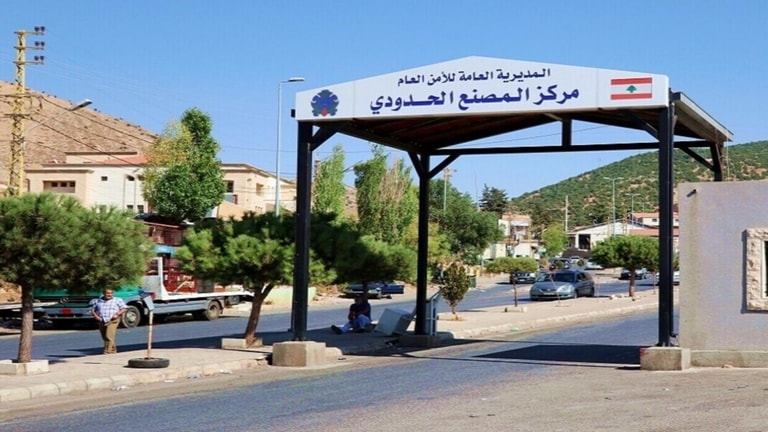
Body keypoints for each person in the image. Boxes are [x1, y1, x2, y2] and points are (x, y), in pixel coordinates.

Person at [90, 288, 128, 354]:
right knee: (105, 337)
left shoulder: (117, 300)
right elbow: (93, 310)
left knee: (109, 336)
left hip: (113, 320)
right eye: (108, 293)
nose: (109, 295)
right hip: (102, 320)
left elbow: (124, 308)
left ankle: (107, 351)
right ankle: (113, 350)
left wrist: (117, 314)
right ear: (104, 293)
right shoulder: (98, 301)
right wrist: (96, 316)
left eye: (111, 293)